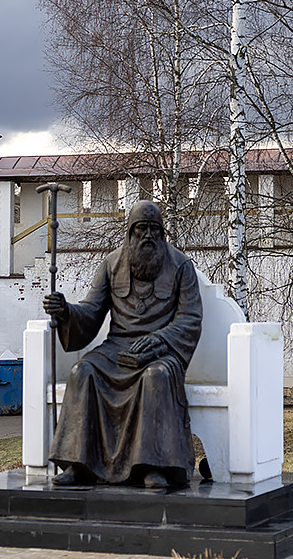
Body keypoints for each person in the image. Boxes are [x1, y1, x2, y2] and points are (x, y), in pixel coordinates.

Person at [42, 200, 202, 489]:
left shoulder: (181, 266)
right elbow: (91, 311)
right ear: (129, 233)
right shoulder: (111, 264)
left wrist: (159, 339)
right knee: (83, 371)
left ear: (163, 233)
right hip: (117, 349)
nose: (148, 236)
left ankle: (152, 466)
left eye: (155, 229)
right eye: (141, 229)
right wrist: (66, 311)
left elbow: (190, 319)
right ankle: (77, 465)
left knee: (156, 377)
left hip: (160, 352)